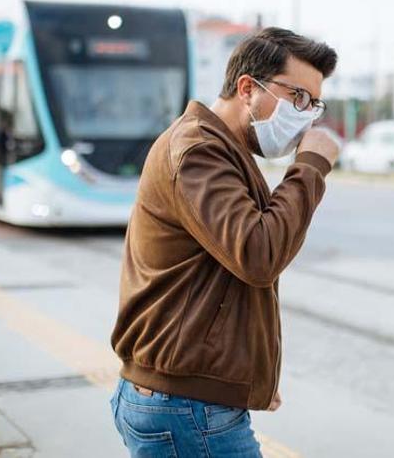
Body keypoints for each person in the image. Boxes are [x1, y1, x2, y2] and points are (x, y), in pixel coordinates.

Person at [109, 27, 340, 457]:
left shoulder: (221, 149)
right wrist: (310, 167)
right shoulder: (199, 149)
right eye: (299, 98)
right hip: (186, 407)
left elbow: (226, 280)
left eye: (315, 104)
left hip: (189, 400)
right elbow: (258, 255)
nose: (307, 116)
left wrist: (247, 381)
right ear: (248, 88)